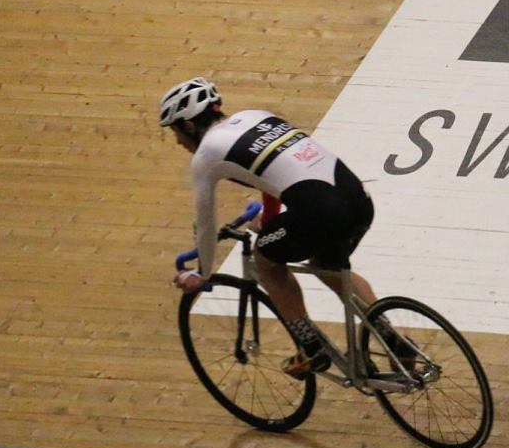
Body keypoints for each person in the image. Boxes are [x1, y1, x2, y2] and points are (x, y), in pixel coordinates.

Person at [161, 77, 378, 376]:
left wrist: (203, 274)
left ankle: (310, 347)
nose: (177, 142)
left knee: (265, 262)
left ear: (188, 125)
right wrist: (270, 219)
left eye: (175, 132)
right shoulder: (256, 116)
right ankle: (392, 337)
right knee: (329, 267)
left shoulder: (205, 155)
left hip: (320, 213)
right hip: (359, 200)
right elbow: (271, 176)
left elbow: (206, 223)